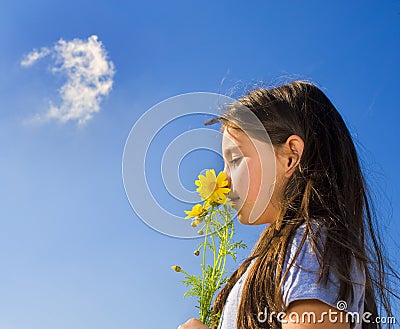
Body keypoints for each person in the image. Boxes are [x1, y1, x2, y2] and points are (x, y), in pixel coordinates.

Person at [178, 81, 399, 329]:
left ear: (291, 156)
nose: (225, 180)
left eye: (235, 159)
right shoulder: (285, 252)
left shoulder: (310, 243)